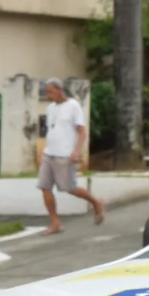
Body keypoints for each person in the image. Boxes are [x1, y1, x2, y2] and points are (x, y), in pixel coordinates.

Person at [37, 79, 106, 233]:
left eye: (51, 91)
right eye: (47, 92)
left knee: (70, 188)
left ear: (60, 90)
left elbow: (82, 131)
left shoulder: (73, 106)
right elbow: (51, 130)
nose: (48, 95)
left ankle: (96, 203)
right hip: (49, 153)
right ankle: (55, 223)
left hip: (65, 154)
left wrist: (76, 151)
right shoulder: (50, 108)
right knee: (44, 187)